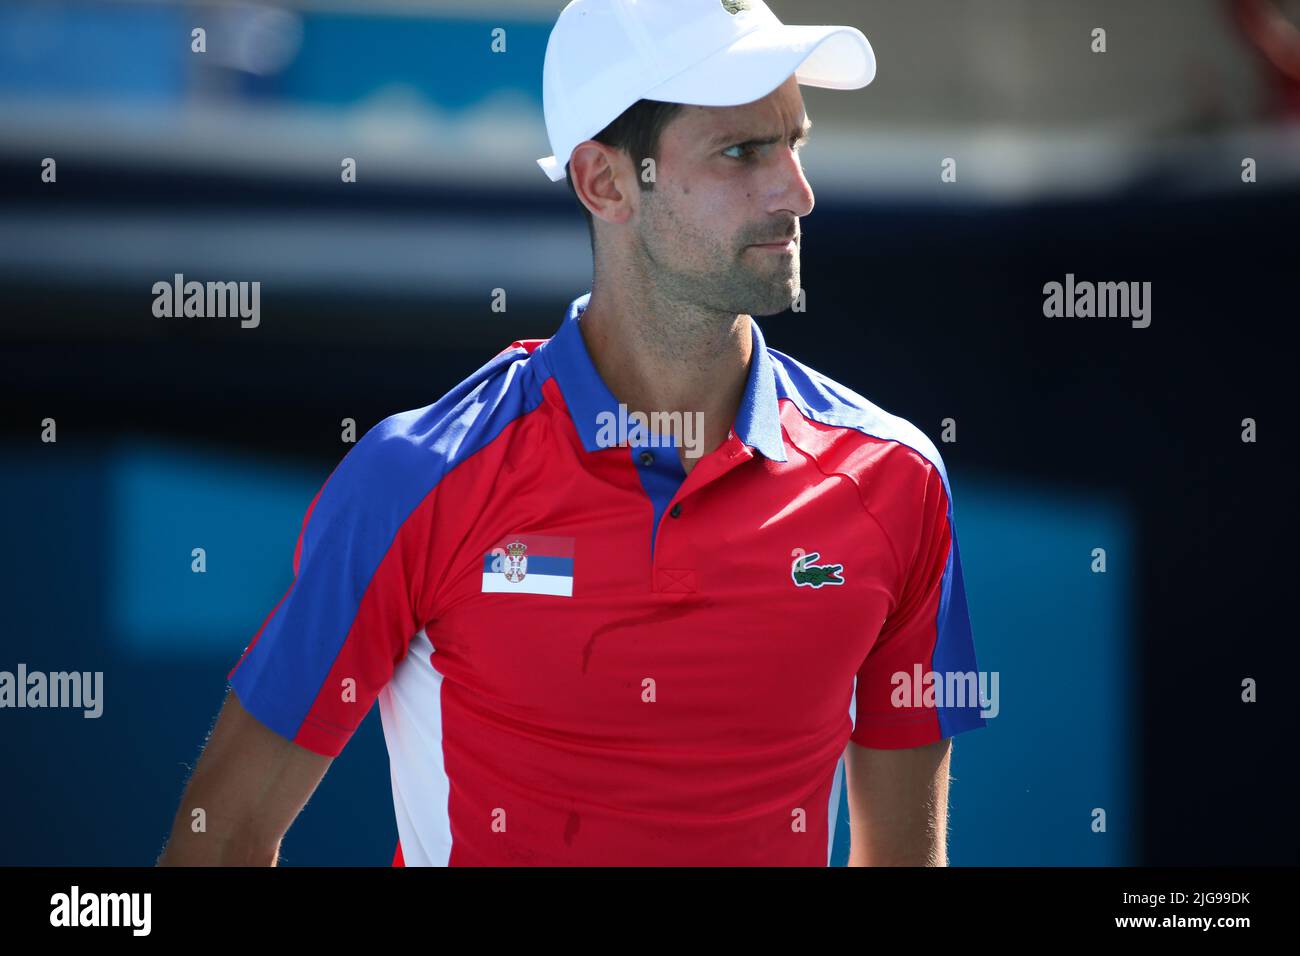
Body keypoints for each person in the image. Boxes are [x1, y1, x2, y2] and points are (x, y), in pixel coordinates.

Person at [159, 0, 986, 868]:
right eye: (743, 151)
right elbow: (218, 843)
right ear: (605, 183)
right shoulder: (414, 478)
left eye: (795, 142)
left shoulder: (896, 479)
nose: (797, 192)